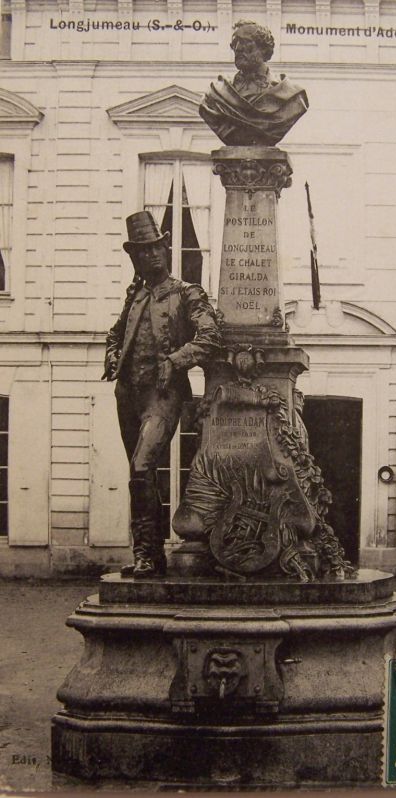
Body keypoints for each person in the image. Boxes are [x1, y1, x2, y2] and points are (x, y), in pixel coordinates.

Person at [103, 211, 221, 577]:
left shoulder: (187, 294)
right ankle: (149, 555)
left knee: (141, 466)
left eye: (156, 248)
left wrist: (177, 359)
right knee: (139, 475)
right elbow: (114, 334)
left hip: (163, 393)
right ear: (134, 257)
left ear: (166, 249)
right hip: (128, 393)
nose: (152, 256)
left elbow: (210, 336)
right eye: (143, 251)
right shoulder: (134, 296)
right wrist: (111, 355)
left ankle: (148, 554)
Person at [199, 19, 308, 146]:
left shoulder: (292, 95)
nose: (238, 48)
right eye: (234, 43)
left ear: (264, 49)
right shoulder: (215, 95)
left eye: (245, 42)